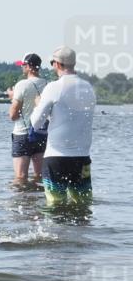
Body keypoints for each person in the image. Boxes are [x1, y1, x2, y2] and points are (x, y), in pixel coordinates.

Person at [29, 46, 95, 207]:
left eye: (52, 62)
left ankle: (56, 232)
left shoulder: (53, 87)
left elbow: (36, 123)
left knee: (54, 206)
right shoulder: (88, 87)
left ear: (57, 64)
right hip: (82, 157)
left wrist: (38, 104)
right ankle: (82, 233)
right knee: (83, 207)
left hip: (56, 158)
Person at [8, 53, 48, 184]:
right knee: (40, 176)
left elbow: (13, 115)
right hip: (41, 134)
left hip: (23, 134)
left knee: (20, 177)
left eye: (23, 65)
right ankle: (38, 201)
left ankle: (23, 203)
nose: (22, 68)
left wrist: (12, 98)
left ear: (30, 67)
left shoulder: (22, 84)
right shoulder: (47, 85)